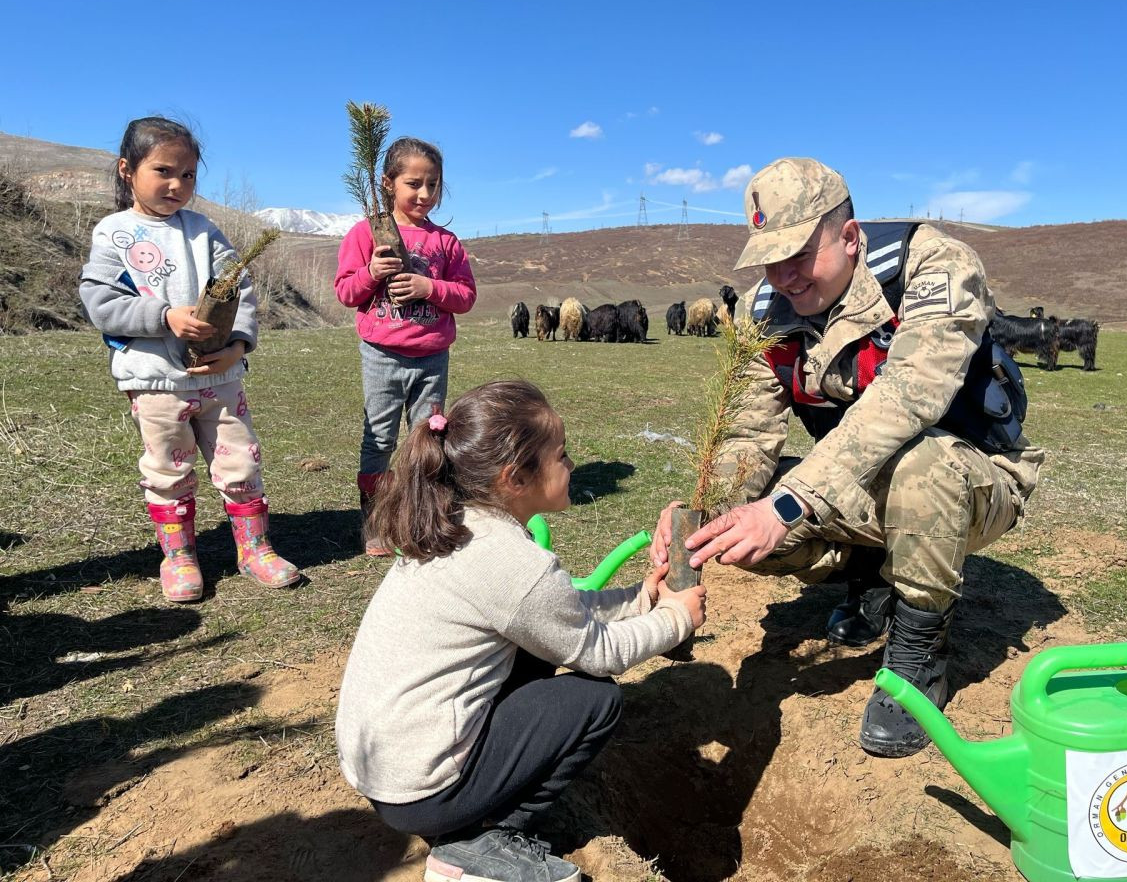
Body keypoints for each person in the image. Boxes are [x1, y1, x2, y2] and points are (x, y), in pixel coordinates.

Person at [652, 157, 1043, 757]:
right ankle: (875, 578)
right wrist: (701, 518)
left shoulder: (931, 268)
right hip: (859, 485)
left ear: (851, 237)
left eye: (800, 253)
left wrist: (787, 503)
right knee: (739, 522)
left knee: (921, 466)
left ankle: (918, 657)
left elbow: (909, 395)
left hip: (971, 479)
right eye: (769, 258)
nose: (784, 276)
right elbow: (747, 438)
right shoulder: (764, 313)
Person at [336, 380, 706, 882]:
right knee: (594, 701)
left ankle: (469, 816)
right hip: (422, 791)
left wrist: (644, 599)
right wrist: (676, 618)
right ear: (515, 478)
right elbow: (598, 654)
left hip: (388, 770)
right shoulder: (511, 561)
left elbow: (559, 613)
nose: (573, 465)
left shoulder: (462, 524)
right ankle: (480, 846)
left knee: (534, 653)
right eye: (562, 455)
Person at [79, 116, 300, 603]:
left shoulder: (204, 230)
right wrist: (164, 317)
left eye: (189, 175)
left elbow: (239, 288)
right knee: (168, 470)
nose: (177, 184)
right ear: (126, 170)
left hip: (221, 379)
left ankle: (255, 549)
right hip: (155, 382)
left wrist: (238, 345)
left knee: (241, 461)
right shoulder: (114, 232)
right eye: (163, 171)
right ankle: (178, 556)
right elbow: (100, 302)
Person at [333, 137, 477, 556]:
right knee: (378, 438)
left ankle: (423, 517)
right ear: (388, 183)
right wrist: (372, 272)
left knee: (428, 439)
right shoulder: (365, 233)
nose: (425, 194)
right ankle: (375, 519)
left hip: (432, 357)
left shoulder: (446, 243)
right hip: (382, 356)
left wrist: (427, 286)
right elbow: (345, 292)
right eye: (414, 183)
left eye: (433, 184)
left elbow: (465, 296)